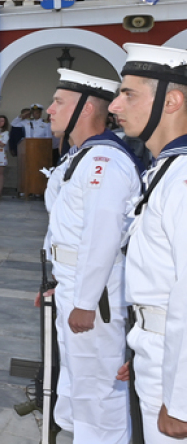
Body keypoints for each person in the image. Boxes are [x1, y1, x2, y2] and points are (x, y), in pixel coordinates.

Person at [40, 69, 140, 443]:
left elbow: (103, 237)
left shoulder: (105, 163)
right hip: (75, 283)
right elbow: (67, 230)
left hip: (95, 297)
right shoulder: (79, 158)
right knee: (77, 380)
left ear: (85, 109)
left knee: (98, 391)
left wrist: (83, 300)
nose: (49, 109)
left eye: (59, 102)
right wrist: (58, 284)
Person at [108, 42, 187, 441]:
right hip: (157, 352)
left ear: (171, 101)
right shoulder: (166, 170)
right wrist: (140, 347)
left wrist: (182, 398)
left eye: (128, 93)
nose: (115, 106)